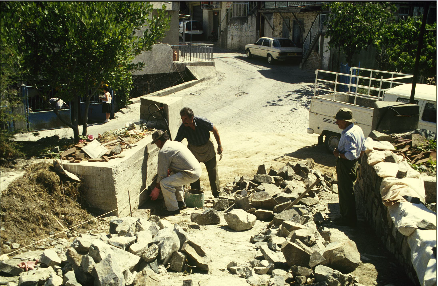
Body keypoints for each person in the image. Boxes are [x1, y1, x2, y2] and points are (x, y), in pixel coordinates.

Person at [150, 130, 202, 216]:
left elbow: (161, 175)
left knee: (164, 183)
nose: (157, 145)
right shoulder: (176, 144)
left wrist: (156, 189)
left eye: (156, 143)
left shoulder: (164, 151)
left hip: (190, 174)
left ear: (158, 141)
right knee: (174, 176)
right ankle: (180, 202)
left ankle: (173, 209)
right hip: (196, 170)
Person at [174, 107, 223, 198]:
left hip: (207, 148)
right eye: (182, 119)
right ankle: (196, 193)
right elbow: (177, 142)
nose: (184, 121)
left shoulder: (202, 121)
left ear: (192, 117)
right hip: (194, 151)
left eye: (185, 119)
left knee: (213, 172)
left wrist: (219, 146)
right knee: (194, 172)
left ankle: (217, 194)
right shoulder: (183, 128)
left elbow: (215, 130)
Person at [332, 108, 366, 227]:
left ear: (345, 121)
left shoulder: (348, 135)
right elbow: (363, 148)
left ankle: (348, 219)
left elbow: (350, 155)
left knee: (345, 192)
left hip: (346, 164)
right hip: (353, 164)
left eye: (338, 121)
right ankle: (348, 217)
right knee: (348, 190)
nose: (337, 123)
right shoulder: (358, 129)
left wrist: (338, 155)